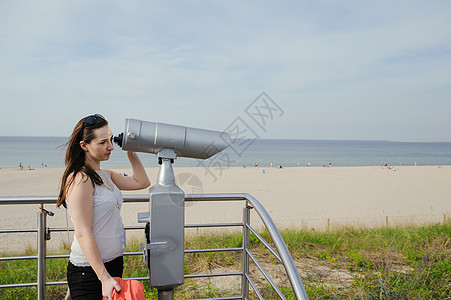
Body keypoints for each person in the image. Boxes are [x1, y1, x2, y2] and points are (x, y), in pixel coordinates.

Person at [56, 114, 151, 300]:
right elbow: (83, 232)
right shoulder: (80, 179)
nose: (110, 147)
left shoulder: (106, 175)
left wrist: (131, 151)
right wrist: (104, 278)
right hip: (91, 272)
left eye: (110, 139)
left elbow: (142, 182)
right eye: (102, 142)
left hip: (114, 263)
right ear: (84, 145)